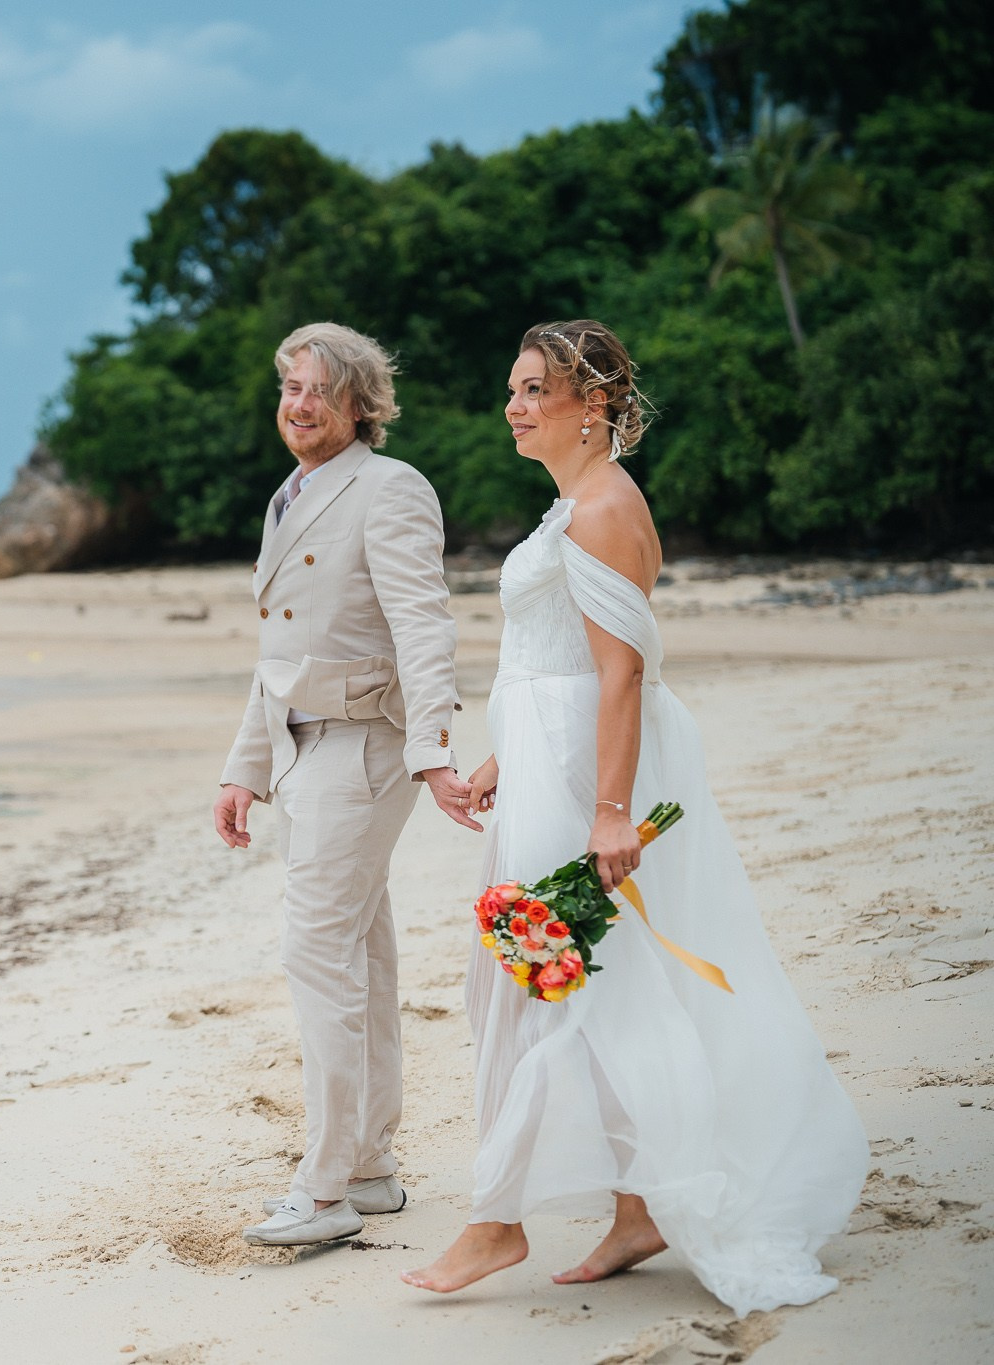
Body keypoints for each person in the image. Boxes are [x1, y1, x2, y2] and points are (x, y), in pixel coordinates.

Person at [402, 320, 865, 1313]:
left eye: (534, 389)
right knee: (569, 983)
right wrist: (503, 756)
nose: (513, 407)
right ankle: (633, 1207)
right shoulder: (574, 504)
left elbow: (620, 674)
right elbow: (560, 657)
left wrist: (608, 813)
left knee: (546, 980)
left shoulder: (605, 507)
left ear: (595, 404)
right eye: (513, 388)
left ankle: (499, 1218)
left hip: (582, 781)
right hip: (547, 765)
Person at [213, 322, 471, 1248]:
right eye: (290, 388)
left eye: (319, 390)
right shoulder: (290, 495)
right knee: (360, 954)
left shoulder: (390, 488)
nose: (300, 405)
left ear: (361, 403)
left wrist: (432, 748)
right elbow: (278, 652)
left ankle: (322, 1190)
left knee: (316, 954)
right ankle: (367, 1168)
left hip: (364, 746)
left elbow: (423, 624)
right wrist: (244, 768)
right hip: (301, 751)